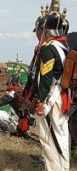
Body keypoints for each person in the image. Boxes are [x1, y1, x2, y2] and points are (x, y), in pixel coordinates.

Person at [34, 10, 70, 171]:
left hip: (52, 98)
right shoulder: (64, 46)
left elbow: (46, 78)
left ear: (45, 31)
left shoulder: (48, 48)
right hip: (63, 96)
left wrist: (41, 101)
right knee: (61, 137)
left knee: (48, 139)